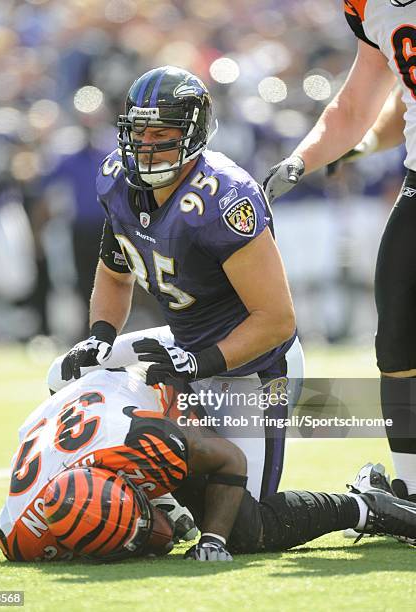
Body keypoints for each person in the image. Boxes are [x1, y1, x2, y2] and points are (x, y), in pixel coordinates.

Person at [47, 65, 304, 502]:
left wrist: (198, 365)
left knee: (243, 520)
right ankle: (148, 496)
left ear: (193, 133)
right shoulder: (116, 180)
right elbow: (113, 273)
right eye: (139, 131)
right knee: (68, 374)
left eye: (161, 132)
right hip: (184, 343)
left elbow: (277, 321)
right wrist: (101, 335)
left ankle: (363, 505)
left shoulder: (224, 197)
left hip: (249, 366)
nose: (146, 145)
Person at [0, 367, 416, 563]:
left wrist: (213, 537)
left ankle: (366, 505)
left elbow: (227, 460)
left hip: (152, 385)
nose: (152, 539)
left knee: (245, 530)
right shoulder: (18, 535)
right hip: (80, 413)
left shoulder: (148, 444)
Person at [262, 1, 416, 502]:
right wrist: (304, 160)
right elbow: (362, 102)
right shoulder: (368, 7)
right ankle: (412, 487)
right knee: (398, 336)